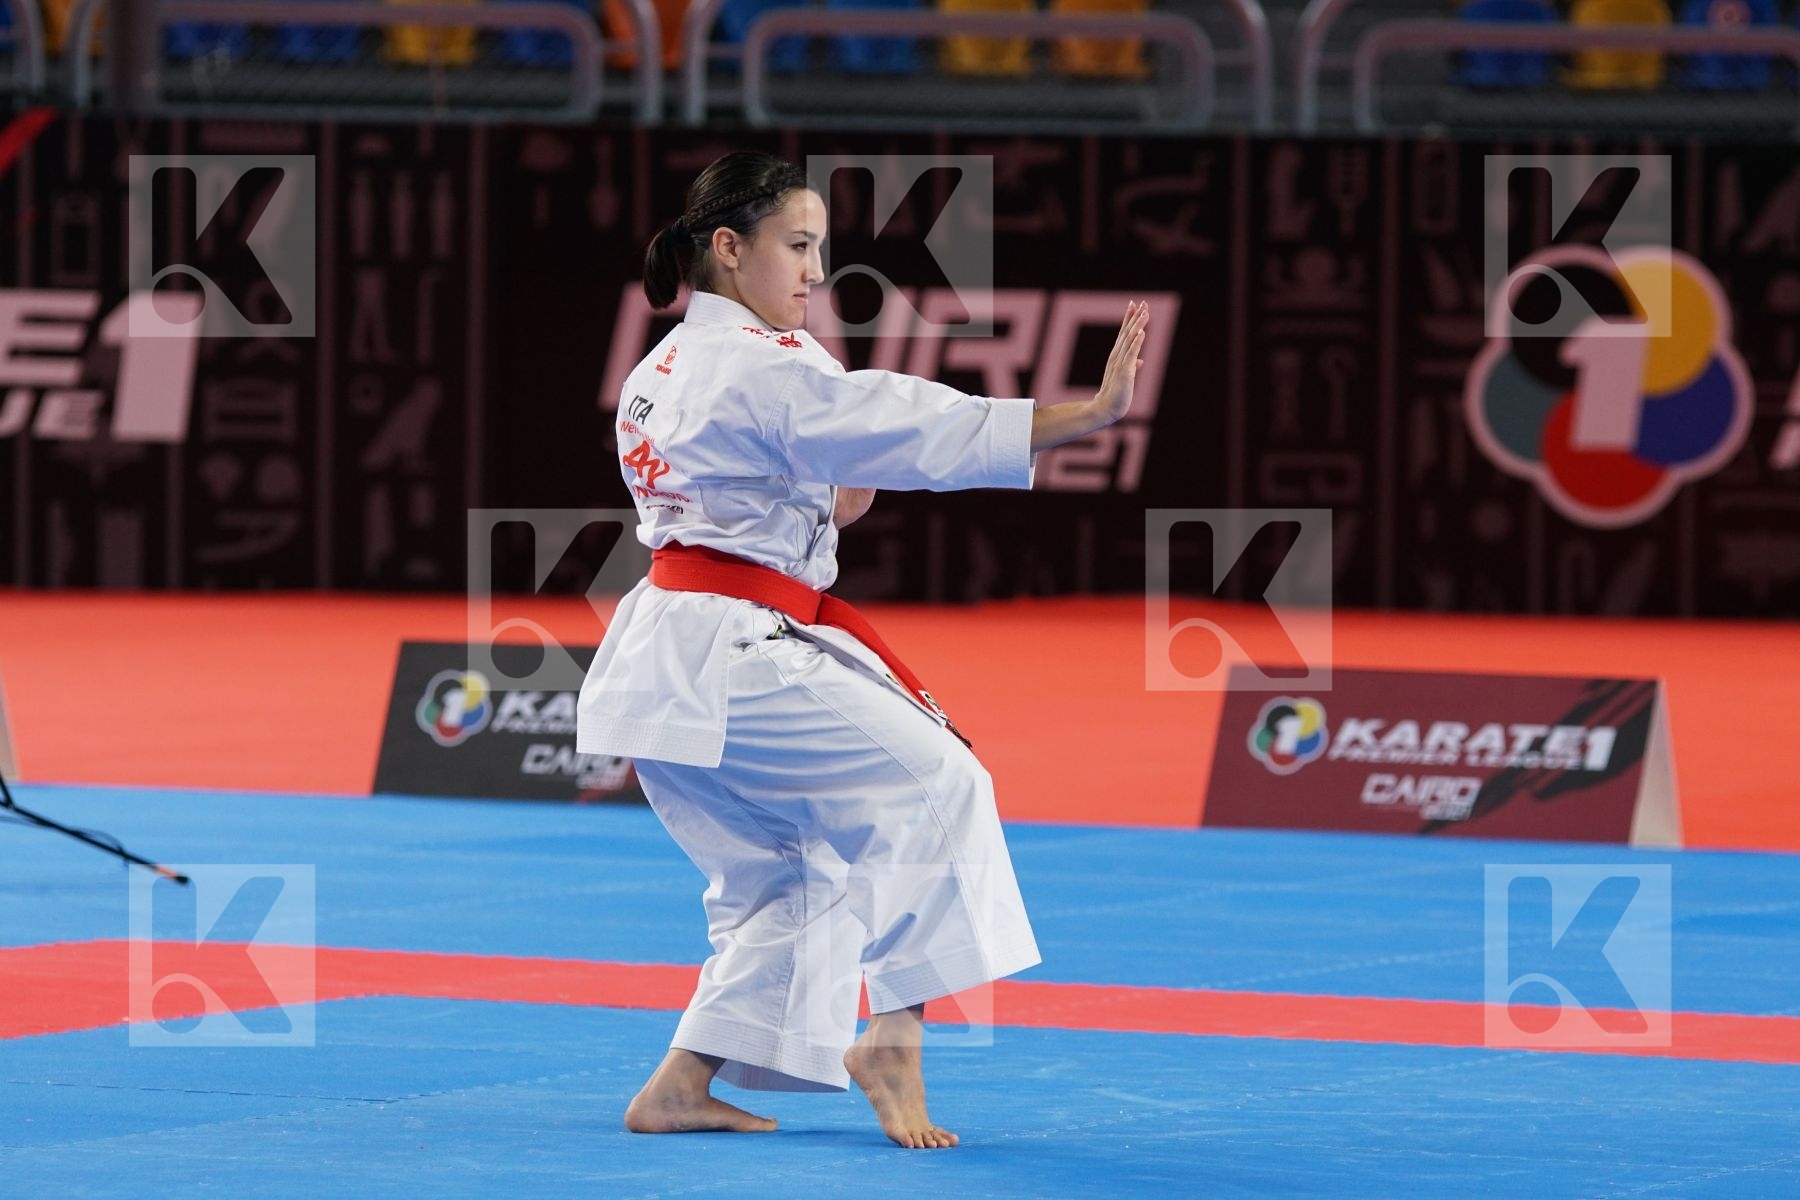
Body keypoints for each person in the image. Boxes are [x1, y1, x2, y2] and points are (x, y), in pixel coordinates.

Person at [575, 151, 1148, 1150]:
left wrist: (832, 490)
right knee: (941, 782)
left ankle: (681, 1081)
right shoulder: (766, 365)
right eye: (797, 246)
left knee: (789, 874)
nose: (812, 271)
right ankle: (890, 1035)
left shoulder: (654, 371)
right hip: (732, 657)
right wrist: (1085, 416)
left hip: (662, 665)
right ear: (728, 248)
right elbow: (917, 425)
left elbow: (770, 493)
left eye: (819, 250)